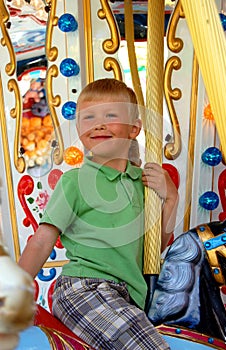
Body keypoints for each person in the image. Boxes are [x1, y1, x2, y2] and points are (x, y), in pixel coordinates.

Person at [19, 78, 179, 350]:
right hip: (84, 289)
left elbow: (156, 247)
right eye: (88, 116)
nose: (98, 123)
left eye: (111, 114)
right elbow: (42, 241)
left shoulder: (143, 183)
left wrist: (171, 198)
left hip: (128, 296)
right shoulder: (76, 182)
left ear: (134, 128)